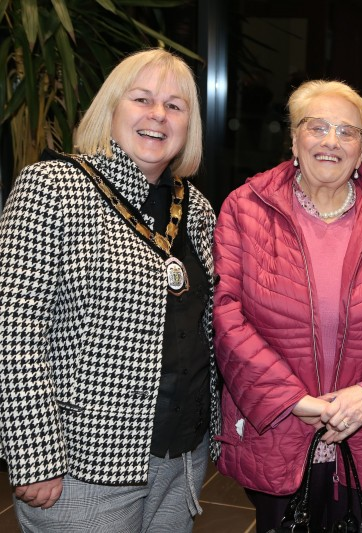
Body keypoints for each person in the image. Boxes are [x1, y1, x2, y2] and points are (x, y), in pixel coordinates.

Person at [212, 80, 362, 533]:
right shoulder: (244, 209)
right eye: (316, 127)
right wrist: (293, 401)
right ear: (294, 139)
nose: (331, 141)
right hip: (278, 426)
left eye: (347, 131)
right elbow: (226, 315)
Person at [0, 48, 217, 532]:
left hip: (182, 454)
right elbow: (13, 329)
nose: (158, 115)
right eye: (142, 99)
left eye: (175, 106)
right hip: (84, 462)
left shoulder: (197, 207)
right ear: (111, 108)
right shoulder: (53, 186)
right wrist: (34, 454)